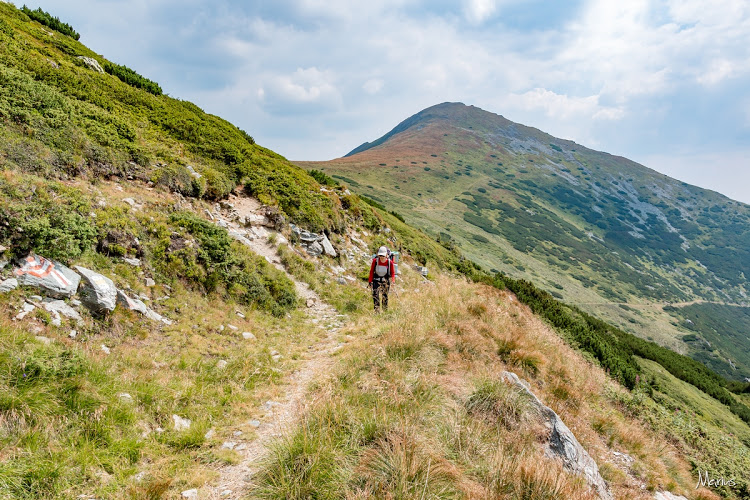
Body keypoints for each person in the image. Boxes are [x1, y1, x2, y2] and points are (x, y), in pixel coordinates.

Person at [368, 246, 395, 312]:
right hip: (376, 280)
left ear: (386, 255)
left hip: (385, 281)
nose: (381, 257)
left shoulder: (390, 262)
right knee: (375, 296)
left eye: (383, 255)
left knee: (385, 296)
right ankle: (377, 311)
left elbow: (392, 273)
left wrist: (393, 281)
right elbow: (371, 271)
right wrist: (370, 281)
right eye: (380, 255)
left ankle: (385, 311)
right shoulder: (375, 261)